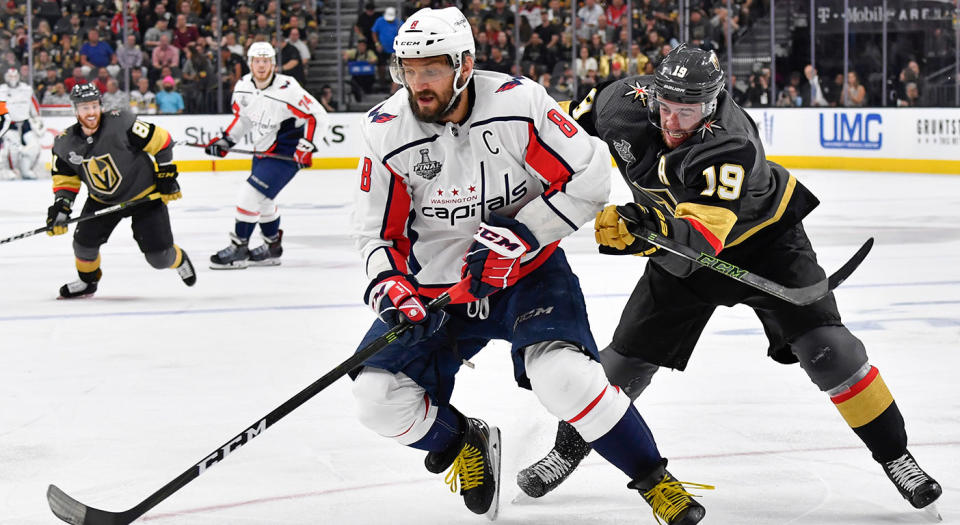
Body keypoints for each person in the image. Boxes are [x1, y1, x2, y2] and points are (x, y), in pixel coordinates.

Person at [517, 44, 944, 518]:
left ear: (714, 101)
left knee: (831, 352)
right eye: (667, 106)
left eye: (689, 110)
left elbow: (700, 239)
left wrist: (638, 235)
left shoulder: (730, 143)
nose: (675, 121)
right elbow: (558, 133)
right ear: (653, 93)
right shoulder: (619, 101)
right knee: (622, 367)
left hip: (765, 247)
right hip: (675, 245)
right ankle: (566, 452)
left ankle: (896, 456)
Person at [350, 8, 711, 525]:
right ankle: (463, 442)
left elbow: (588, 175)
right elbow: (375, 232)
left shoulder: (519, 105)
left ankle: (655, 479)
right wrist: (390, 288)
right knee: (376, 399)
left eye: (430, 69)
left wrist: (522, 235)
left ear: (465, 64)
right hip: (437, 287)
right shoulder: (386, 131)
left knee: (565, 378)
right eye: (408, 70)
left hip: (526, 274)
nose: (417, 84)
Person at [45, 84, 196, 299]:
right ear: (75, 110)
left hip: (144, 196)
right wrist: (61, 207)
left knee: (159, 259)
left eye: (94, 106)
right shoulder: (64, 143)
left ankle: (179, 259)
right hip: (102, 200)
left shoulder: (121, 122)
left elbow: (162, 141)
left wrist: (166, 176)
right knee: (83, 246)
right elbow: (66, 180)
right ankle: (88, 282)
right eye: (85, 108)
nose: (91, 113)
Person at [204, 42, 328, 269]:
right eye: (257, 61)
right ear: (250, 63)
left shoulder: (288, 88)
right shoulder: (242, 87)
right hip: (262, 151)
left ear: (273, 64)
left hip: (286, 153)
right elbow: (243, 119)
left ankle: (239, 249)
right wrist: (226, 141)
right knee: (264, 201)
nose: (261, 66)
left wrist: (306, 147)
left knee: (249, 196)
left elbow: (318, 116)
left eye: (266, 61)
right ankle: (272, 248)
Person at [0, 68, 44, 180]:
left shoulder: (26, 89)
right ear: (6, 78)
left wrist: (37, 119)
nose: (13, 79)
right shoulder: (1, 90)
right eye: (10, 77)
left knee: (33, 147)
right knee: (11, 149)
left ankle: (26, 169)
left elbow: (34, 106)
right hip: (9, 124)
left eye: (15, 76)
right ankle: (11, 170)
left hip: (25, 123)